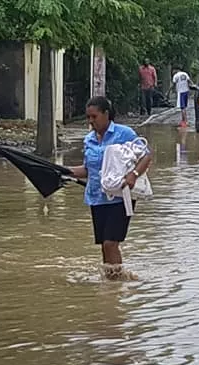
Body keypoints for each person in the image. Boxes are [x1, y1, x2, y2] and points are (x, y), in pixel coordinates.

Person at [67, 97, 152, 273]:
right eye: (88, 117)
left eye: (94, 117)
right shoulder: (89, 139)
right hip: (97, 198)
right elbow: (87, 170)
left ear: (106, 114)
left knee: (111, 243)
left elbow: (146, 156)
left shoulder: (124, 134)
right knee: (104, 245)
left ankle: (117, 284)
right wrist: (64, 171)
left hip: (119, 197)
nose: (91, 121)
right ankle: (111, 281)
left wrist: (133, 175)